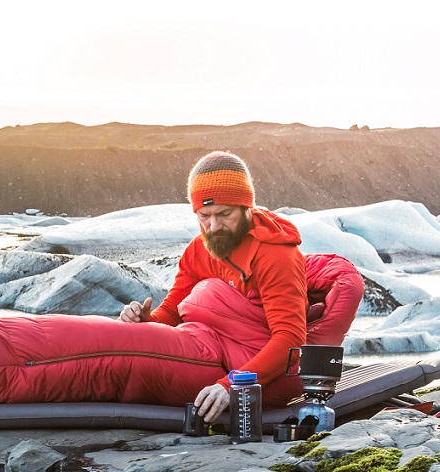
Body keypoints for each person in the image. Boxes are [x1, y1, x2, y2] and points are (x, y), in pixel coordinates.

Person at [119, 151, 308, 424]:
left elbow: (290, 340)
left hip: (265, 379)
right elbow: (173, 312)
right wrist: (146, 322)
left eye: (225, 214)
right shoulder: (198, 249)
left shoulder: (275, 255)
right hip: (214, 361)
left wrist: (231, 385)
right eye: (204, 215)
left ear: (247, 208)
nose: (213, 226)